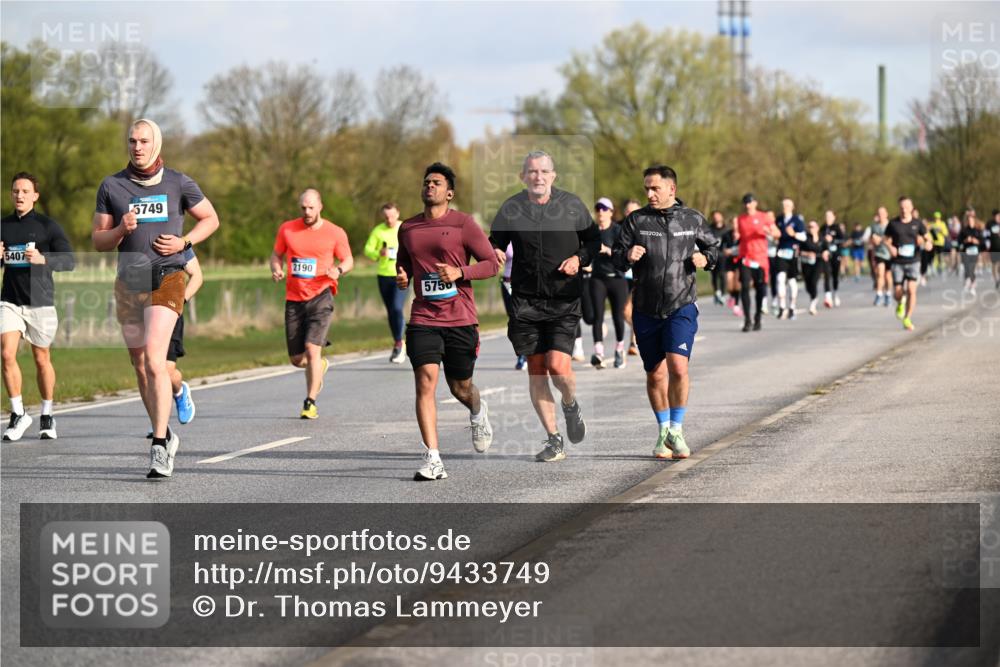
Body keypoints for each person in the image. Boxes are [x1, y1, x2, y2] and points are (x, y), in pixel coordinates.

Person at [92, 119, 219, 478]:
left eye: (144, 141)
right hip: (129, 280)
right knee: (139, 364)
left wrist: (184, 243)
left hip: (168, 275)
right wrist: (120, 230)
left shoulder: (178, 181)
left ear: (156, 144)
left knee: (153, 358)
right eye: (132, 141)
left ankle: (159, 444)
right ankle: (165, 431)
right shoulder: (111, 186)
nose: (137, 147)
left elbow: (211, 219)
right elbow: (98, 241)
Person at [489, 151, 599, 463]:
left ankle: (570, 403)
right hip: (525, 300)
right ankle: (554, 439)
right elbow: (495, 239)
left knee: (559, 366)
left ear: (553, 176)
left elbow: (592, 240)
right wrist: (495, 250)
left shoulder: (571, 205)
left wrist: (579, 259)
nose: (538, 176)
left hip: (564, 298)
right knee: (537, 371)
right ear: (523, 176)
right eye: (532, 172)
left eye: (544, 171)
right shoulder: (512, 208)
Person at [396, 163, 498, 481]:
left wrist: (459, 272)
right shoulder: (408, 228)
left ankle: (477, 410)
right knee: (425, 383)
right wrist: (402, 275)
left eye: (436, 182)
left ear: (449, 192)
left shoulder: (463, 224)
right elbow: (404, 261)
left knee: (460, 387)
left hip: (460, 318)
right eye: (426, 182)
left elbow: (491, 264)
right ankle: (433, 459)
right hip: (423, 317)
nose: (429, 186)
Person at [612, 165, 718, 460]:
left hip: (681, 304)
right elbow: (618, 257)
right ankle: (662, 432)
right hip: (646, 308)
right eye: (646, 188)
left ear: (672, 189)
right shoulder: (637, 220)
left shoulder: (692, 218)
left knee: (678, 367)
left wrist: (705, 257)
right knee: (655, 373)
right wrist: (627, 256)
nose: (649, 193)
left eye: (655, 188)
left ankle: (677, 429)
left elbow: (715, 248)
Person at [2, 172, 75, 441]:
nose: (19, 195)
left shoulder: (48, 226)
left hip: (40, 302)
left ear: (35, 196)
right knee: (7, 354)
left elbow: (69, 261)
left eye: (24, 191)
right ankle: (18, 413)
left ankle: (47, 413)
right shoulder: (3, 226)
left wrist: (44, 259)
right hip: (10, 301)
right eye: (15, 191)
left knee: (41, 358)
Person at [270, 188, 353, 420]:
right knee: (298, 360)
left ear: (320, 206)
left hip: (321, 295)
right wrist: (276, 268)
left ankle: (310, 403)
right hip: (294, 299)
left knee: (311, 348)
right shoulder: (287, 229)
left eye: (311, 208)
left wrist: (338, 269)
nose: (307, 212)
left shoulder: (334, 232)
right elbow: (276, 255)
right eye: (303, 208)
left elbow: (348, 260)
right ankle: (319, 366)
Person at [146, 248, 201, 437]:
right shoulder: (136, 241)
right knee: (149, 370)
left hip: (170, 309)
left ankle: (179, 391)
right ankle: (159, 423)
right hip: (143, 309)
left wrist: (180, 299)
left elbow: (197, 276)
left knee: (166, 370)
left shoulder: (176, 242)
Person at [363, 202, 407, 363]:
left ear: (398, 213)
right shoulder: (378, 231)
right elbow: (368, 250)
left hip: (401, 274)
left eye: (392, 216)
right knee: (391, 311)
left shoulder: (405, 228)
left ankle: (400, 344)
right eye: (386, 216)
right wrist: (378, 253)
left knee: (397, 307)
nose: (389, 219)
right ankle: (398, 342)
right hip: (383, 274)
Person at [589, 197, 629, 369]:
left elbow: (625, 252)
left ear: (611, 212)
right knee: (597, 316)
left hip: (617, 278)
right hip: (598, 278)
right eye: (598, 209)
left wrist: (607, 250)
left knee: (617, 317)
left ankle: (619, 349)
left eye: (604, 209)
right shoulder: (591, 232)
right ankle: (598, 353)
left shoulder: (618, 230)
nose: (601, 212)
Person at [883, 196, 927, 332]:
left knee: (912, 290)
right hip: (898, 262)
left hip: (914, 260)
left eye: (906, 207)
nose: (904, 209)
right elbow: (885, 239)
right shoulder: (893, 224)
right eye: (901, 207)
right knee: (898, 292)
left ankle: (907, 318)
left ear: (911, 208)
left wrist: (928, 243)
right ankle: (900, 302)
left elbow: (926, 237)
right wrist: (891, 248)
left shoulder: (917, 223)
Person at [735, 193, 776, 332]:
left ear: (755, 203)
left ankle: (758, 316)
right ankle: (747, 320)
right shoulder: (741, 219)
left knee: (760, 289)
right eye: (745, 203)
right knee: (745, 287)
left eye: (750, 202)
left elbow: (777, 234)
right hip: (746, 258)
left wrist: (769, 232)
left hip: (760, 259)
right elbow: (739, 235)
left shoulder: (764, 217)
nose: (747, 205)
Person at [774, 198, 805, 320]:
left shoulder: (797, 220)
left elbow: (803, 236)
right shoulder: (779, 220)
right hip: (781, 252)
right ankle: (782, 307)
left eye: (787, 205)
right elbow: (775, 234)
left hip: (793, 253)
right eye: (783, 205)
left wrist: (794, 234)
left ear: (792, 207)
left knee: (792, 281)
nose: (784, 207)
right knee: (780, 278)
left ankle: (792, 307)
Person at [620, 199, 642, 356]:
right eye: (628, 211)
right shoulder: (619, 228)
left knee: (630, 310)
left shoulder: (646, 229)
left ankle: (634, 341)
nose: (630, 214)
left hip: (639, 276)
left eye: (634, 211)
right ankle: (637, 335)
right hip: (622, 275)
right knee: (625, 311)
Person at [801, 220, 830, 315]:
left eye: (813, 226)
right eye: (809, 227)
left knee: (814, 281)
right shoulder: (805, 238)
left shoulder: (822, 238)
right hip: (806, 263)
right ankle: (813, 296)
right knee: (808, 285)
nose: (811, 229)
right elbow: (799, 251)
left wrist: (826, 253)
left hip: (819, 262)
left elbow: (826, 249)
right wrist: (807, 253)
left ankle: (813, 302)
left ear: (817, 228)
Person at [867, 206, 894, 307]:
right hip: (879, 253)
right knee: (880, 273)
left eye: (882, 213)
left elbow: (892, 240)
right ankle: (879, 294)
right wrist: (876, 240)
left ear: (886, 214)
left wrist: (881, 239)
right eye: (879, 213)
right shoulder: (874, 227)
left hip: (890, 253)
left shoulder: (891, 225)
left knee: (888, 276)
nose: (881, 215)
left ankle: (888, 294)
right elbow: (873, 241)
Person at [820, 209, 844, 307]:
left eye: (830, 216)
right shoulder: (822, 228)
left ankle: (835, 293)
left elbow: (842, 239)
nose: (828, 218)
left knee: (835, 275)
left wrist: (833, 239)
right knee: (826, 274)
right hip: (826, 255)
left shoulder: (837, 228)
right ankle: (828, 296)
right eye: (826, 216)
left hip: (835, 255)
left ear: (834, 217)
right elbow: (819, 240)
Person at [959, 211, 983, 297]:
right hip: (966, 251)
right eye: (968, 221)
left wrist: (976, 241)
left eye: (971, 221)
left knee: (972, 269)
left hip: (975, 252)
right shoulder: (964, 230)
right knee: (967, 268)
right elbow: (960, 241)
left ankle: (972, 286)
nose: (970, 222)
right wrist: (966, 240)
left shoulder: (977, 230)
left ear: (974, 221)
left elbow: (982, 241)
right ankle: (967, 283)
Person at [708, 210, 727, 305]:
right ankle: (717, 292)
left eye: (718, 216)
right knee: (714, 275)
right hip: (713, 255)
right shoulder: (709, 229)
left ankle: (723, 294)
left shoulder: (726, 229)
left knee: (722, 275)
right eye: (714, 217)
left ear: (722, 217)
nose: (716, 218)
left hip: (723, 256)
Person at [986, 209, 1000, 289]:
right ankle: (996, 280)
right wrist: (987, 245)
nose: (998, 218)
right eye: (997, 216)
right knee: (994, 264)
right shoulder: (989, 224)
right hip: (993, 247)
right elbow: (986, 235)